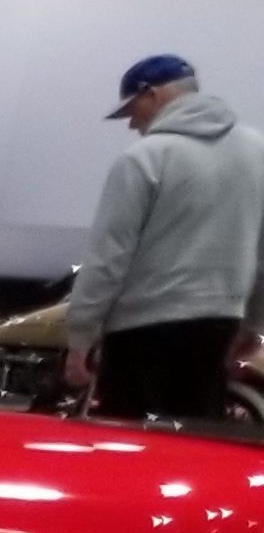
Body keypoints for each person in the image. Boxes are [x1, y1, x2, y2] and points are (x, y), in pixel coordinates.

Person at [66, 54, 264, 422]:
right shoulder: (257, 151)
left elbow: (109, 258)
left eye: (132, 111)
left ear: (152, 95)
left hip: (141, 332)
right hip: (218, 326)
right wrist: (253, 323)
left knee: (129, 442)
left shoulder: (144, 158)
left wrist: (80, 339)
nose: (132, 125)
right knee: (199, 440)